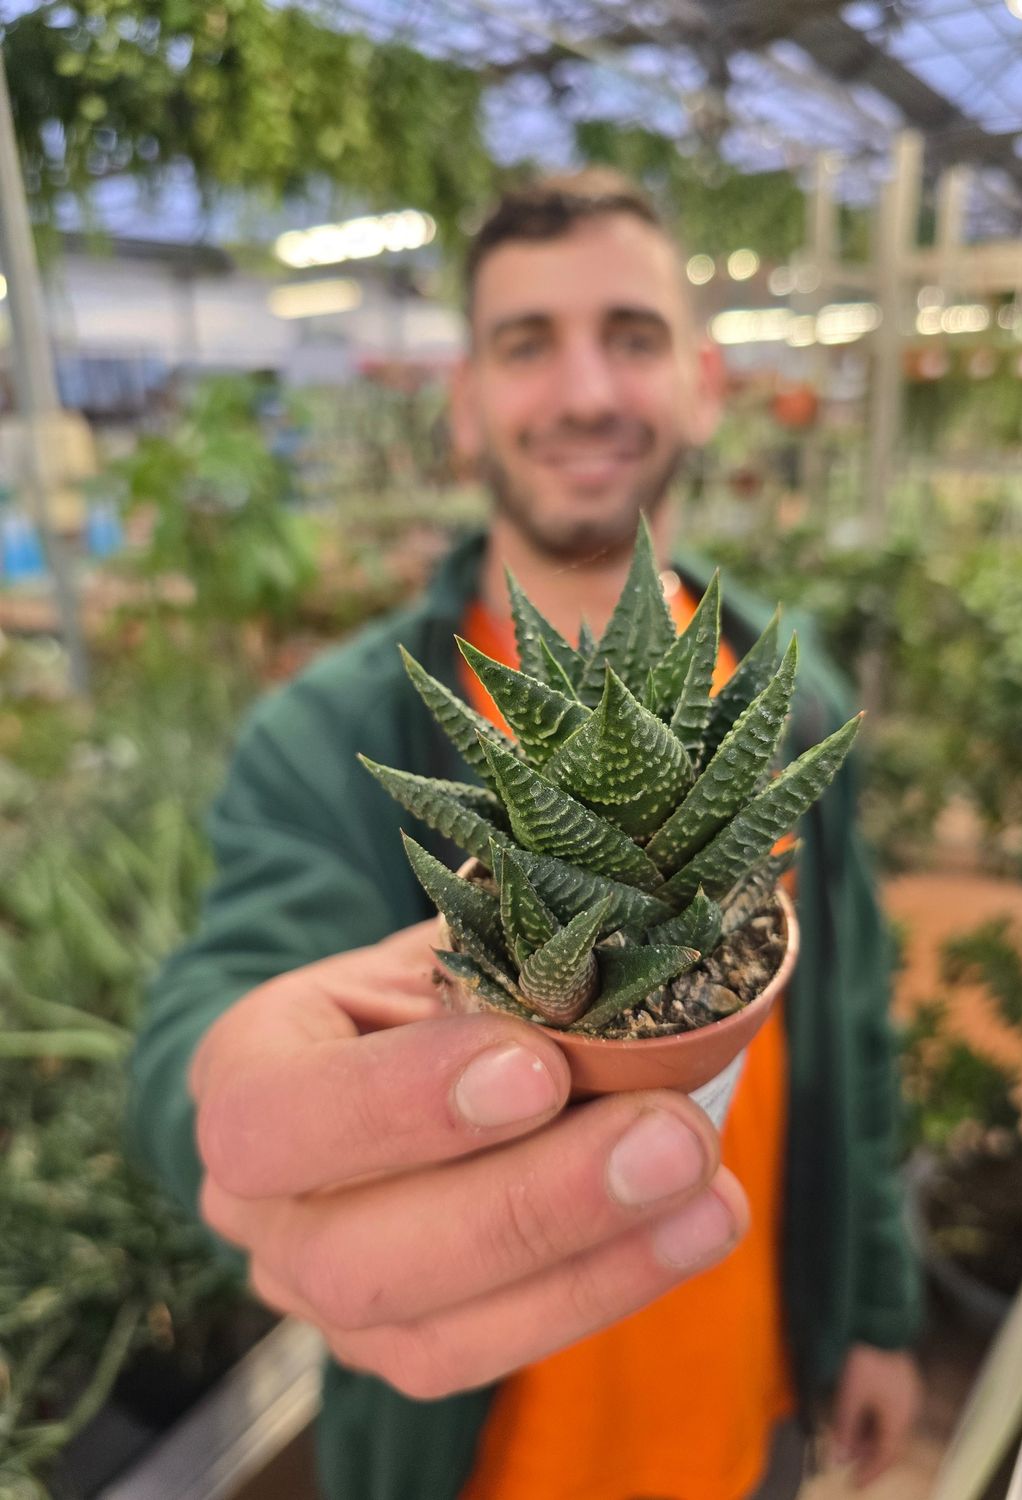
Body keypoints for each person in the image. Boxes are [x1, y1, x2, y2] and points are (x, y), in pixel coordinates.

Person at [128, 168, 922, 1500]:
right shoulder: (329, 729)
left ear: (702, 382)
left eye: (630, 335)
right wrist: (226, 1097)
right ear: (465, 406)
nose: (586, 393)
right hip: (480, 1463)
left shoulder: (789, 700)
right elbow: (209, 1015)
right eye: (524, 344)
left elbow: (852, 1030)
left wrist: (879, 1316)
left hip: (748, 1427)